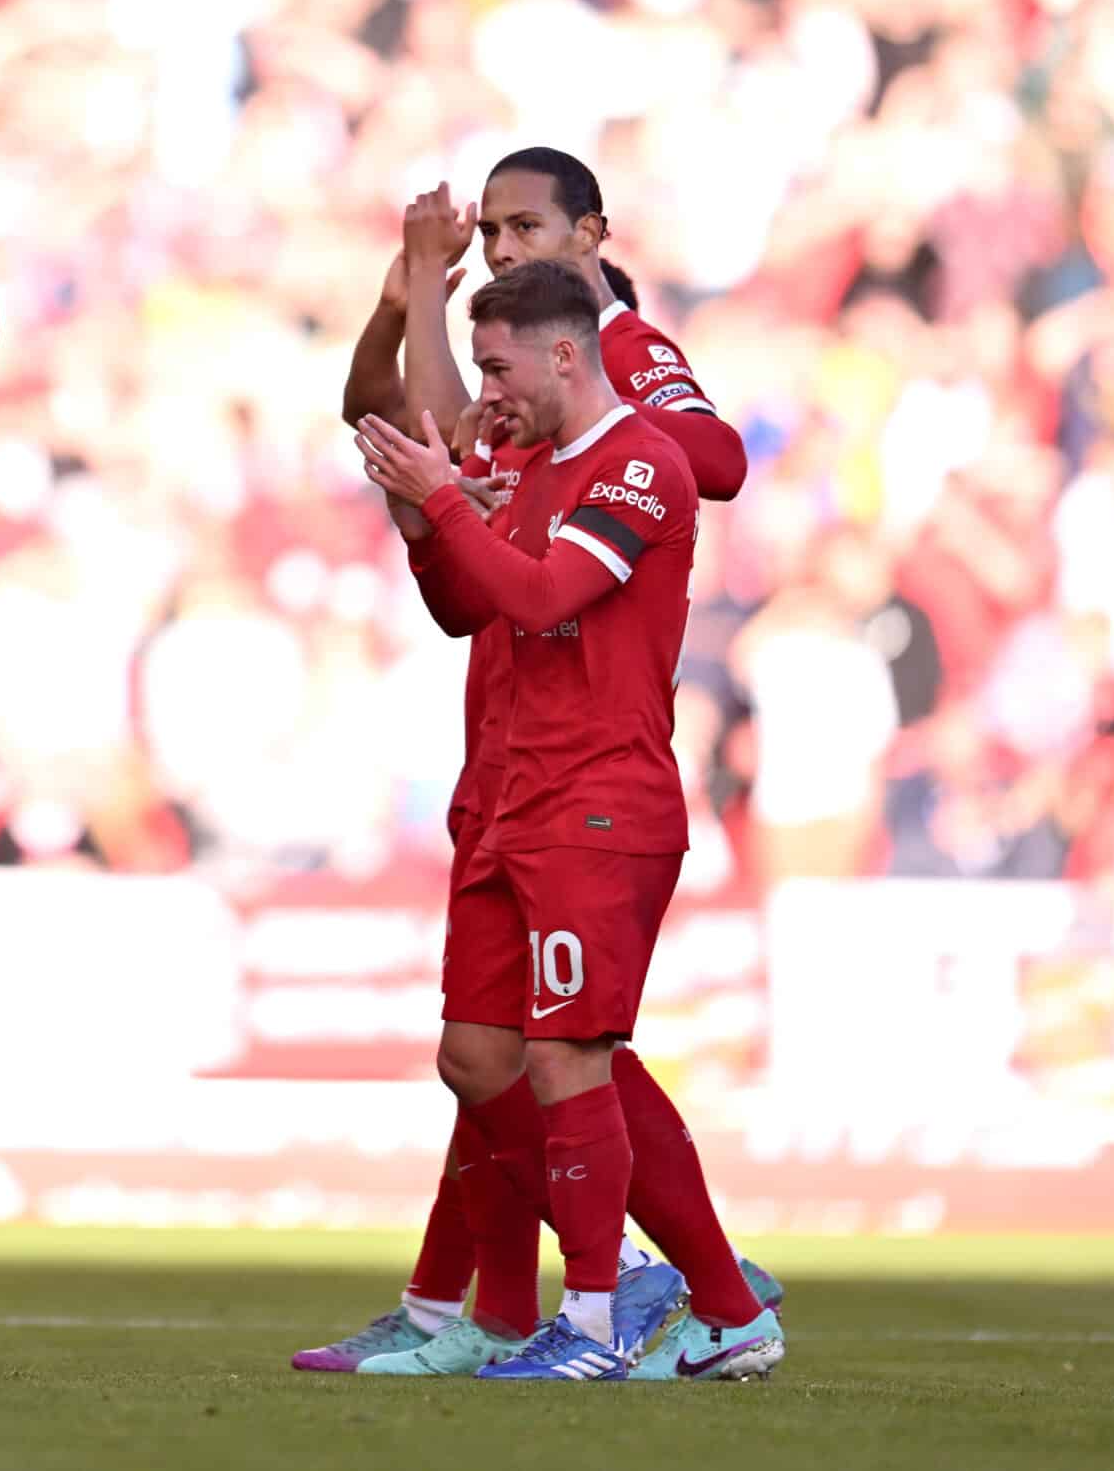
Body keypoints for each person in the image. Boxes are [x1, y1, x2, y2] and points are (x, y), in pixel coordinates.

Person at [301, 151, 776, 1378]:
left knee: (572, 1058)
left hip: (594, 795)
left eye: (525, 230)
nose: (505, 247)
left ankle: (597, 1308)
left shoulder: (631, 436)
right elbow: (470, 604)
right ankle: (547, 1303)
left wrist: (448, 497)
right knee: (481, 1056)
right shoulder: (520, 456)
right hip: (502, 781)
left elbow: (595, 552)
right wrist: (426, 512)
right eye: (492, 231)